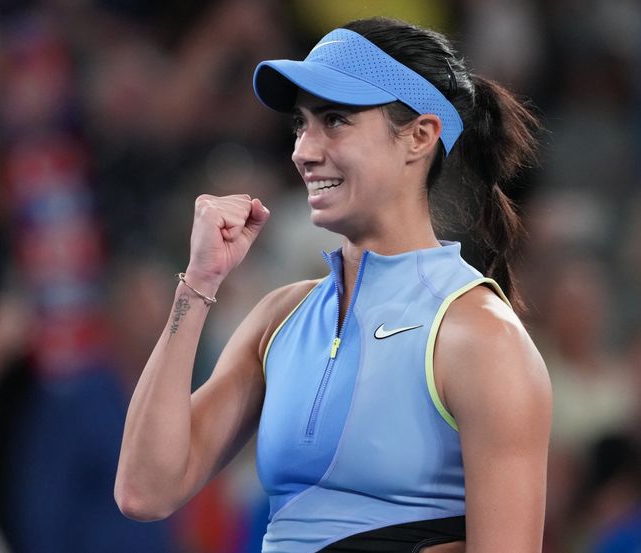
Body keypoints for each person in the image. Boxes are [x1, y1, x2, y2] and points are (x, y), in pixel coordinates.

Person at [115, 17, 552, 552]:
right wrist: (198, 282)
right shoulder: (279, 318)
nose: (304, 150)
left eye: (335, 120)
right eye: (301, 125)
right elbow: (144, 491)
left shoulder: (481, 337)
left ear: (419, 136)